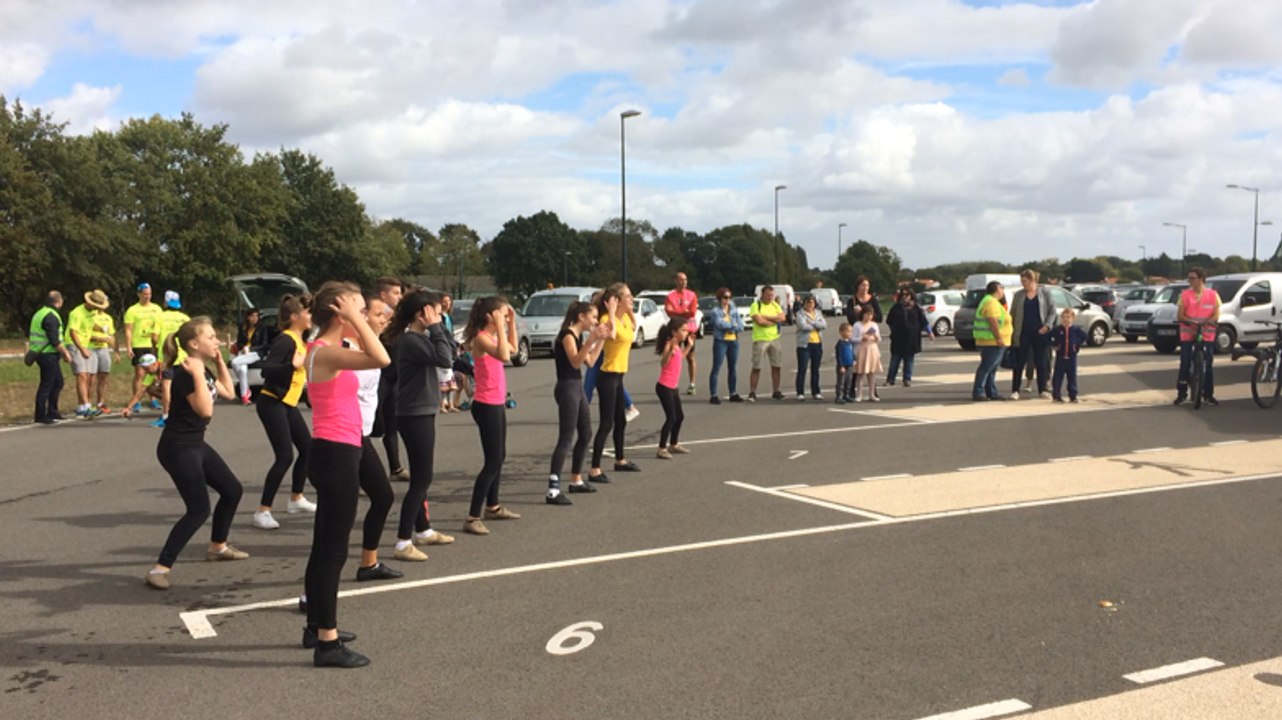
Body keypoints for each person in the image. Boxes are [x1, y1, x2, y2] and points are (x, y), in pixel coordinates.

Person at [302, 282, 391, 669]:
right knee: (333, 552)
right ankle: (327, 642)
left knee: (323, 546)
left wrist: (358, 318)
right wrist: (355, 317)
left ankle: (314, 626)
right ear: (340, 314)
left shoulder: (329, 351)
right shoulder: (325, 353)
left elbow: (376, 348)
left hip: (337, 449)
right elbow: (382, 358)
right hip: (336, 454)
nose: (363, 314)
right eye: (356, 307)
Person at [144, 317, 247, 592]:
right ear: (193, 343)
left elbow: (228, 392)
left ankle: (218, 547)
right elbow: (205, 410)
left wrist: (219, 363)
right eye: (211, 337)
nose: (216, 340)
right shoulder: (186, 373)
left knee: (232, 490)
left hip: (195, 444)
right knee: (199, 509)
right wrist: (200, 374)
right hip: (177, 448)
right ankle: (160, 568)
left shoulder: (202, 370)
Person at [390, 290, 456, 559]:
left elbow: (451, 350)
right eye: (436, 312)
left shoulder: (421, 338)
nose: (440, 318)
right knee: (422, 478)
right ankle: (403, 541)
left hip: (422, 410)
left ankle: (423, 530)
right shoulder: (409, 340)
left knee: (420, 475)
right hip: (414, 413)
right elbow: (444, 360)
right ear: (422, 314)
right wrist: (436, 328)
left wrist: (439, 329)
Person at [253, 293, 317, 529]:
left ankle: (296, 498)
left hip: (287, 403)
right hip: (271, 403)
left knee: (308, 449)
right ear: (293, 317)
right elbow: (266, 371)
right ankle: (263, 511)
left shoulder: (301, 340)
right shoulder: (286, 340)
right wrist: (292, 365)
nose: (311, 316)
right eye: (307, 312)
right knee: (284, 457)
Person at [350, 295, 401, 582]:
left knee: (383, 496)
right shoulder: (347, 349)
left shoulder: (374, 345)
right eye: (380, 314)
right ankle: (313, 591)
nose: (386, 318)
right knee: (337, 518)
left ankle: (368, 563)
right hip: (344, 438)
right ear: (362, 316)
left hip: (362, 435)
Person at [462, 296, 522, 535]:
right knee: (492, 461)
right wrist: (499, 324)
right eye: (501, 313)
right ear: (489, 316)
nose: (505, 316)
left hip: (496, 403)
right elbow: (504, 357)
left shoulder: (494, 337)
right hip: (485, 405)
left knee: (500, 456)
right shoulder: (481, 338)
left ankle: (493, 506)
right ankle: (472, 516)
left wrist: (511, 324)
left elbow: (514, 351)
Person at [547, 300, 611, 505]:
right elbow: (575, 361)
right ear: (581, 316)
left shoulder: (580, 335)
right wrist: (592, 338)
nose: (594, 321)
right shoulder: (567, 335)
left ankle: (576, 479)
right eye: (592, 317)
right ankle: (553, 490)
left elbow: (590, 361)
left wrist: (600, 339)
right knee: (566, 437)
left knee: (586, 433)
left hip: (577, 387)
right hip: (567, 388)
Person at [589, 284, 641, 484]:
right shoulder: (605, 320)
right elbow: (610, 335)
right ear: (616, 300)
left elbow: (634, 328)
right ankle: (594, 469)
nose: (632, 299)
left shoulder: (626, 318)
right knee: (607, 422)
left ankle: (620, 460)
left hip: (619, 376)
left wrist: (627, 310)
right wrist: (611, 311)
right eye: (628, 296)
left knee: (621, 420)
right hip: (607, 376)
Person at [372, 277, 407, 482]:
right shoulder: (375, 317)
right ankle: (360, 475)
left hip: (393, 375)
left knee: (392, 424)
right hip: (377, 376)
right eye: (395, 293)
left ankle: (395, 467)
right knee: (368, 426)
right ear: (383, 295)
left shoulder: (398, 317)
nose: (400, 297)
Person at [1008, 269, 1056, 399]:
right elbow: (1012, 314)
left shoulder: (1045, 292)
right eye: (1022, 281)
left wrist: (1047, 326)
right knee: (1019, 362)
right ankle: (1015, 390)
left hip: (1040, 332)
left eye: (1025, 281)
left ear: (1032, 280)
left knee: (1041, 361)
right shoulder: (1018, 295)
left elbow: (1053, 311)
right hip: (1022, 332)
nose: (1023, 284)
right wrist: (1011, 332)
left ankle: (1043, 389)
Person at [1175, 267, 1220, 406]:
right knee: (1185, 363)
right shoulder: (1184, 295)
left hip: (1206, 333)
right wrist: (1190, 321)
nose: (1190, 280)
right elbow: (1180, 315)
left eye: (1192, 278)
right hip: (1188, 332)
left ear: (1201, 279)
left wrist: (1208, 322)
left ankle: (1208, 395)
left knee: (1208, 364)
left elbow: (1216, 313)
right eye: (1189, 278)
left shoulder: (1213, 295)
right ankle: (1182, 394)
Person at [30, 291, 73, 424]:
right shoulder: (51, 315)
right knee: (47, 384)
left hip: (43, 353)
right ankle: (41, 415)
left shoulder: (40, 312)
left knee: (57, 382)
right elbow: (54, 339)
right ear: (58, 302)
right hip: (47, 354)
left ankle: (53, 411)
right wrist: (65, 353)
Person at [654, 318, 693, 459]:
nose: (685, 333)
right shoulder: (669, 344)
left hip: (673, 387)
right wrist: (670, 350)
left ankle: (674, 444)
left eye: (686, 330)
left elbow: (679, 358)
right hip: (664, 387)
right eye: (683, 330)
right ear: (674, 332)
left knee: (680, 416)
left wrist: (688, 347)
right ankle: (661, 448)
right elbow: (663, 363)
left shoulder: (677, 345)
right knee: (671, 417)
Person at [154, 291, 192, 428]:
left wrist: (155, 349)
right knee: (184, 386)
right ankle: (185, 414)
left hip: (167, 356)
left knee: (166, 387)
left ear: (165, 302)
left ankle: (166, 415)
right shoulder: (186, 318)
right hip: (183, 356)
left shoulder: (160, 317)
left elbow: (154, 337)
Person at [124, 283, 163, 412]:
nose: (147, 297)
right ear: (139, 294)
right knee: (140, 373)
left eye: (149, 294)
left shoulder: (157, 309)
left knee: (154, 373)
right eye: (145, 294)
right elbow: (128, 329)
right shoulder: (132, 310)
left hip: (153, 344)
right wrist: (129, 346)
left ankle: (153, 399)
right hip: (138, 344)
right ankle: (136, 401)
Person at [972, 281, 1011, 401]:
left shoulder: (988, 300)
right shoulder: (991, 302)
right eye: (1002, 288)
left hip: (990, 340)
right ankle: (979, 392)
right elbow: (992, 320)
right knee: (987, 367)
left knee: (991, 368)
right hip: (992, 341)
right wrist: (998, 337)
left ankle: (991, 391)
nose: (1003, 291)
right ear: (997, 289)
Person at [885, 288, 933, 387]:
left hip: (912, 339)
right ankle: (890, 379)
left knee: (909, 360)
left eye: (907, 294)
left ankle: (907, 379)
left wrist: (930, 332)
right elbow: (889, 321)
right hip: (898, 339)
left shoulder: (916, 308)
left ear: (911, 295)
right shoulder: (896, 308)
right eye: (903, 294)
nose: (905, 296)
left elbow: (923, 322)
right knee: (895, 360)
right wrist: (894, 329)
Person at [748, 286, 787, 401]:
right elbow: (759, 321)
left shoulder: (775, 305)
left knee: (776, 366)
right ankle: (752, 391)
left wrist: (767, 317)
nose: (770, 297)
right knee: (757, 366)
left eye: (772, 295)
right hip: (760, 339)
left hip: (774, 338)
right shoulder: (756, 305)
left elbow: (783, 317)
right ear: (762, 294)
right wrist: (773, 321)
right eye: (768, 295)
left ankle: (776, 390)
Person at [65, 291, 100, 418]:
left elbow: (90, 326)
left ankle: (82, 404)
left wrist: (101, 330)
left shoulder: (93, 312)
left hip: (87, 344)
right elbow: (73, 332)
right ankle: (85, 405)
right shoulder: (76, 313)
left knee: (90, 377)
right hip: (75, 344)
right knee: (82, 375)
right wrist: (81, 349)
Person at [664, 272, 700, 395]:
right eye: (681, 279)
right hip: (675, 330)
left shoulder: (692, 295)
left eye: (685, 279)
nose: (683, 282)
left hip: (689, 329)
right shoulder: (670, 296)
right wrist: (683, 311)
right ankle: (673, 383)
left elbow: (692, 312)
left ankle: (692, 384)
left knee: (690, 357)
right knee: (673, 355)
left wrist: (678, 312)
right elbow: (669, 312)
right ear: (676, 281)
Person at [707, 288, 745, 405]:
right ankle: (714, 394)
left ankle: (733, 393)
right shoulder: (715, 311)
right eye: (725, 297)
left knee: (732, 368)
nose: (727, 300)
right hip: (721, 340)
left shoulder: (733, 309)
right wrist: (733, 326)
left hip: (733, 340)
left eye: (729, 297)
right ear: (720, 298)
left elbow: (741, 325)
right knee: (717, 367)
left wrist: (733, 326)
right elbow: (720, 324)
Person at [1050, 309, 1087, 403]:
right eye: (1064, 317)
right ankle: (1056, 395)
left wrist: (1076, 345)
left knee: (1072, 377)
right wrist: (1054, 344)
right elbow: (1047, 337)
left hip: (1071, 357)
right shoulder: (1057, 329)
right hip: (1061, 357)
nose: (1066, 319)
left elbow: (1085, 336)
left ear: (1073, 318)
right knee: (1058, 377)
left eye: (1068, 317)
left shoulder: (1076, 329)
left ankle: (1073, 395)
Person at [794, 295, 826, 401]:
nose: (809, 304)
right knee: (802, 369)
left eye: (811, 302)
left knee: (815, 369)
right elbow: (802, 326)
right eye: (807, 302)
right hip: (804, 345)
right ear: (804, 303)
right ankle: (800, 392)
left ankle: (816, 392)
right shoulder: (800, 314)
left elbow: (824, 325)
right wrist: (816, 325)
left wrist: (812, 322)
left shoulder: (818, 313)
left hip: (817, 343)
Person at [229, 307, 262, 404]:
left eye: (256, 316)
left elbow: (264, 344)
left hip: (255, 353)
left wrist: (251, 349)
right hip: (243, 352)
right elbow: (239, 342)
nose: (255, 318)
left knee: (234, 362)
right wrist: (243, 347)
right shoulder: (242, 327)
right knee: (243, 370)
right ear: (248, 317)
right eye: (252, 316)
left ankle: (245, 389)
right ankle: (245, 396)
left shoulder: (261, 328)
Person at [120, 354, 164, 418]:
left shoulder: (165, 369)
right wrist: (128, 408)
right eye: (144, 369)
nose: (146, 371)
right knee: (150, 389)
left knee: (165, 388)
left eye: (147, 368)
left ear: (154, 364)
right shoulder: (151, 373)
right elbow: (141, 391)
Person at [854, 307, 883, 402]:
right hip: (862, 349)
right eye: (867, 314)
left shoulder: (874, 325)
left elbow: (879, 338)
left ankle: (872, 394)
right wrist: (861, 338)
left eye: (870, 314)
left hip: (872, 349)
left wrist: (876, 337)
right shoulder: (857, 325)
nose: (868, 316)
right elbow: (852, 338)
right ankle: (859, 395)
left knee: (872, 373)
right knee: (860, 373)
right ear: (862, 314)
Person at [834, 323, 856, 404]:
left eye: (850, 332)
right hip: (843, 366)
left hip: (849, 365)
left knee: (848, 381)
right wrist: (841, 366)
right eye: (847, 331)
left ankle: (846, 395)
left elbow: (852, 352)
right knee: (841, 382)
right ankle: (838, 396)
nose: (849, 333)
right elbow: (839, 356)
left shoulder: (850, 342)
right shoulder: (840, 343)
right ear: (841, 332)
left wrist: (854, 359)